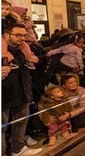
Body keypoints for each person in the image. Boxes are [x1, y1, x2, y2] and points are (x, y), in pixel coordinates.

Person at [2, 23, 43, 156]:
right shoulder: (3, 51)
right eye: (18, 35)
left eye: (24, 35)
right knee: (2, 127)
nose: (21, 38)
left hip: (22, 92)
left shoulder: (23, 50)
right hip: (5, 94)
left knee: (21, 121)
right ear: (7, 35)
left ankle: (18, 149)